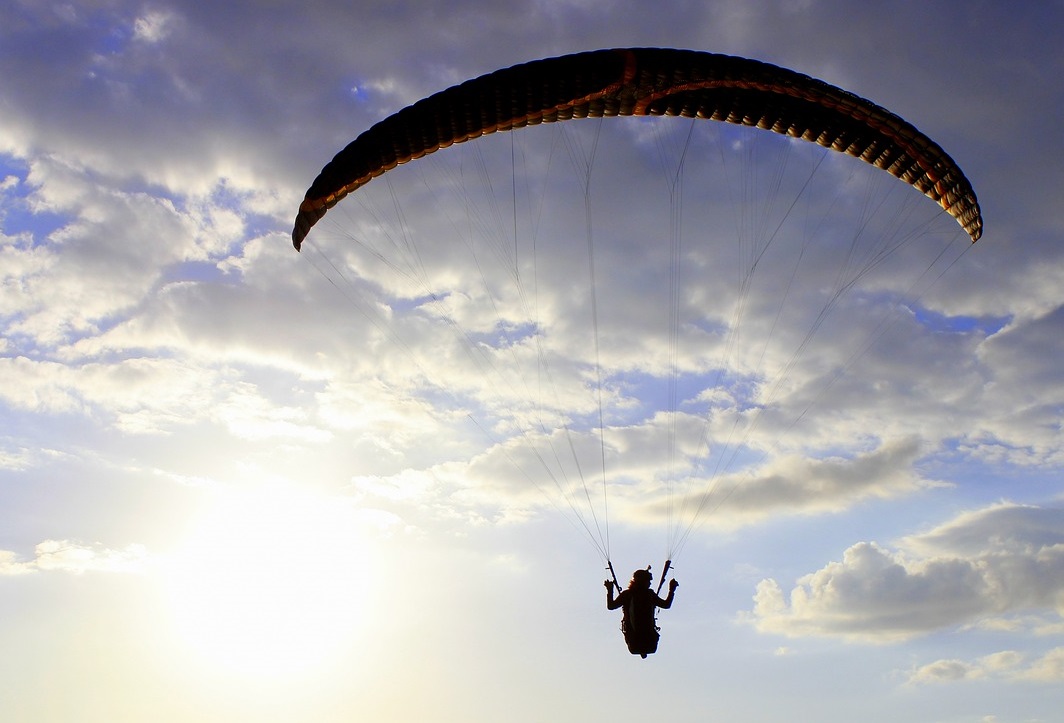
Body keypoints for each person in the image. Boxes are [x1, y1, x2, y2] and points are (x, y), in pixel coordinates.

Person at [605, 568, 678, 658]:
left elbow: (611, 606)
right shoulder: (649, 594)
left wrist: (609, 590)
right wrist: (672, 590)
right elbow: (666, 605)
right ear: (642, 581)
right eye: (648, 581)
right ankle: (643, 650)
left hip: (635, 642)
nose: (650, 583)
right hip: (647, 642)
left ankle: (642, 650)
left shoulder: (627, 594)